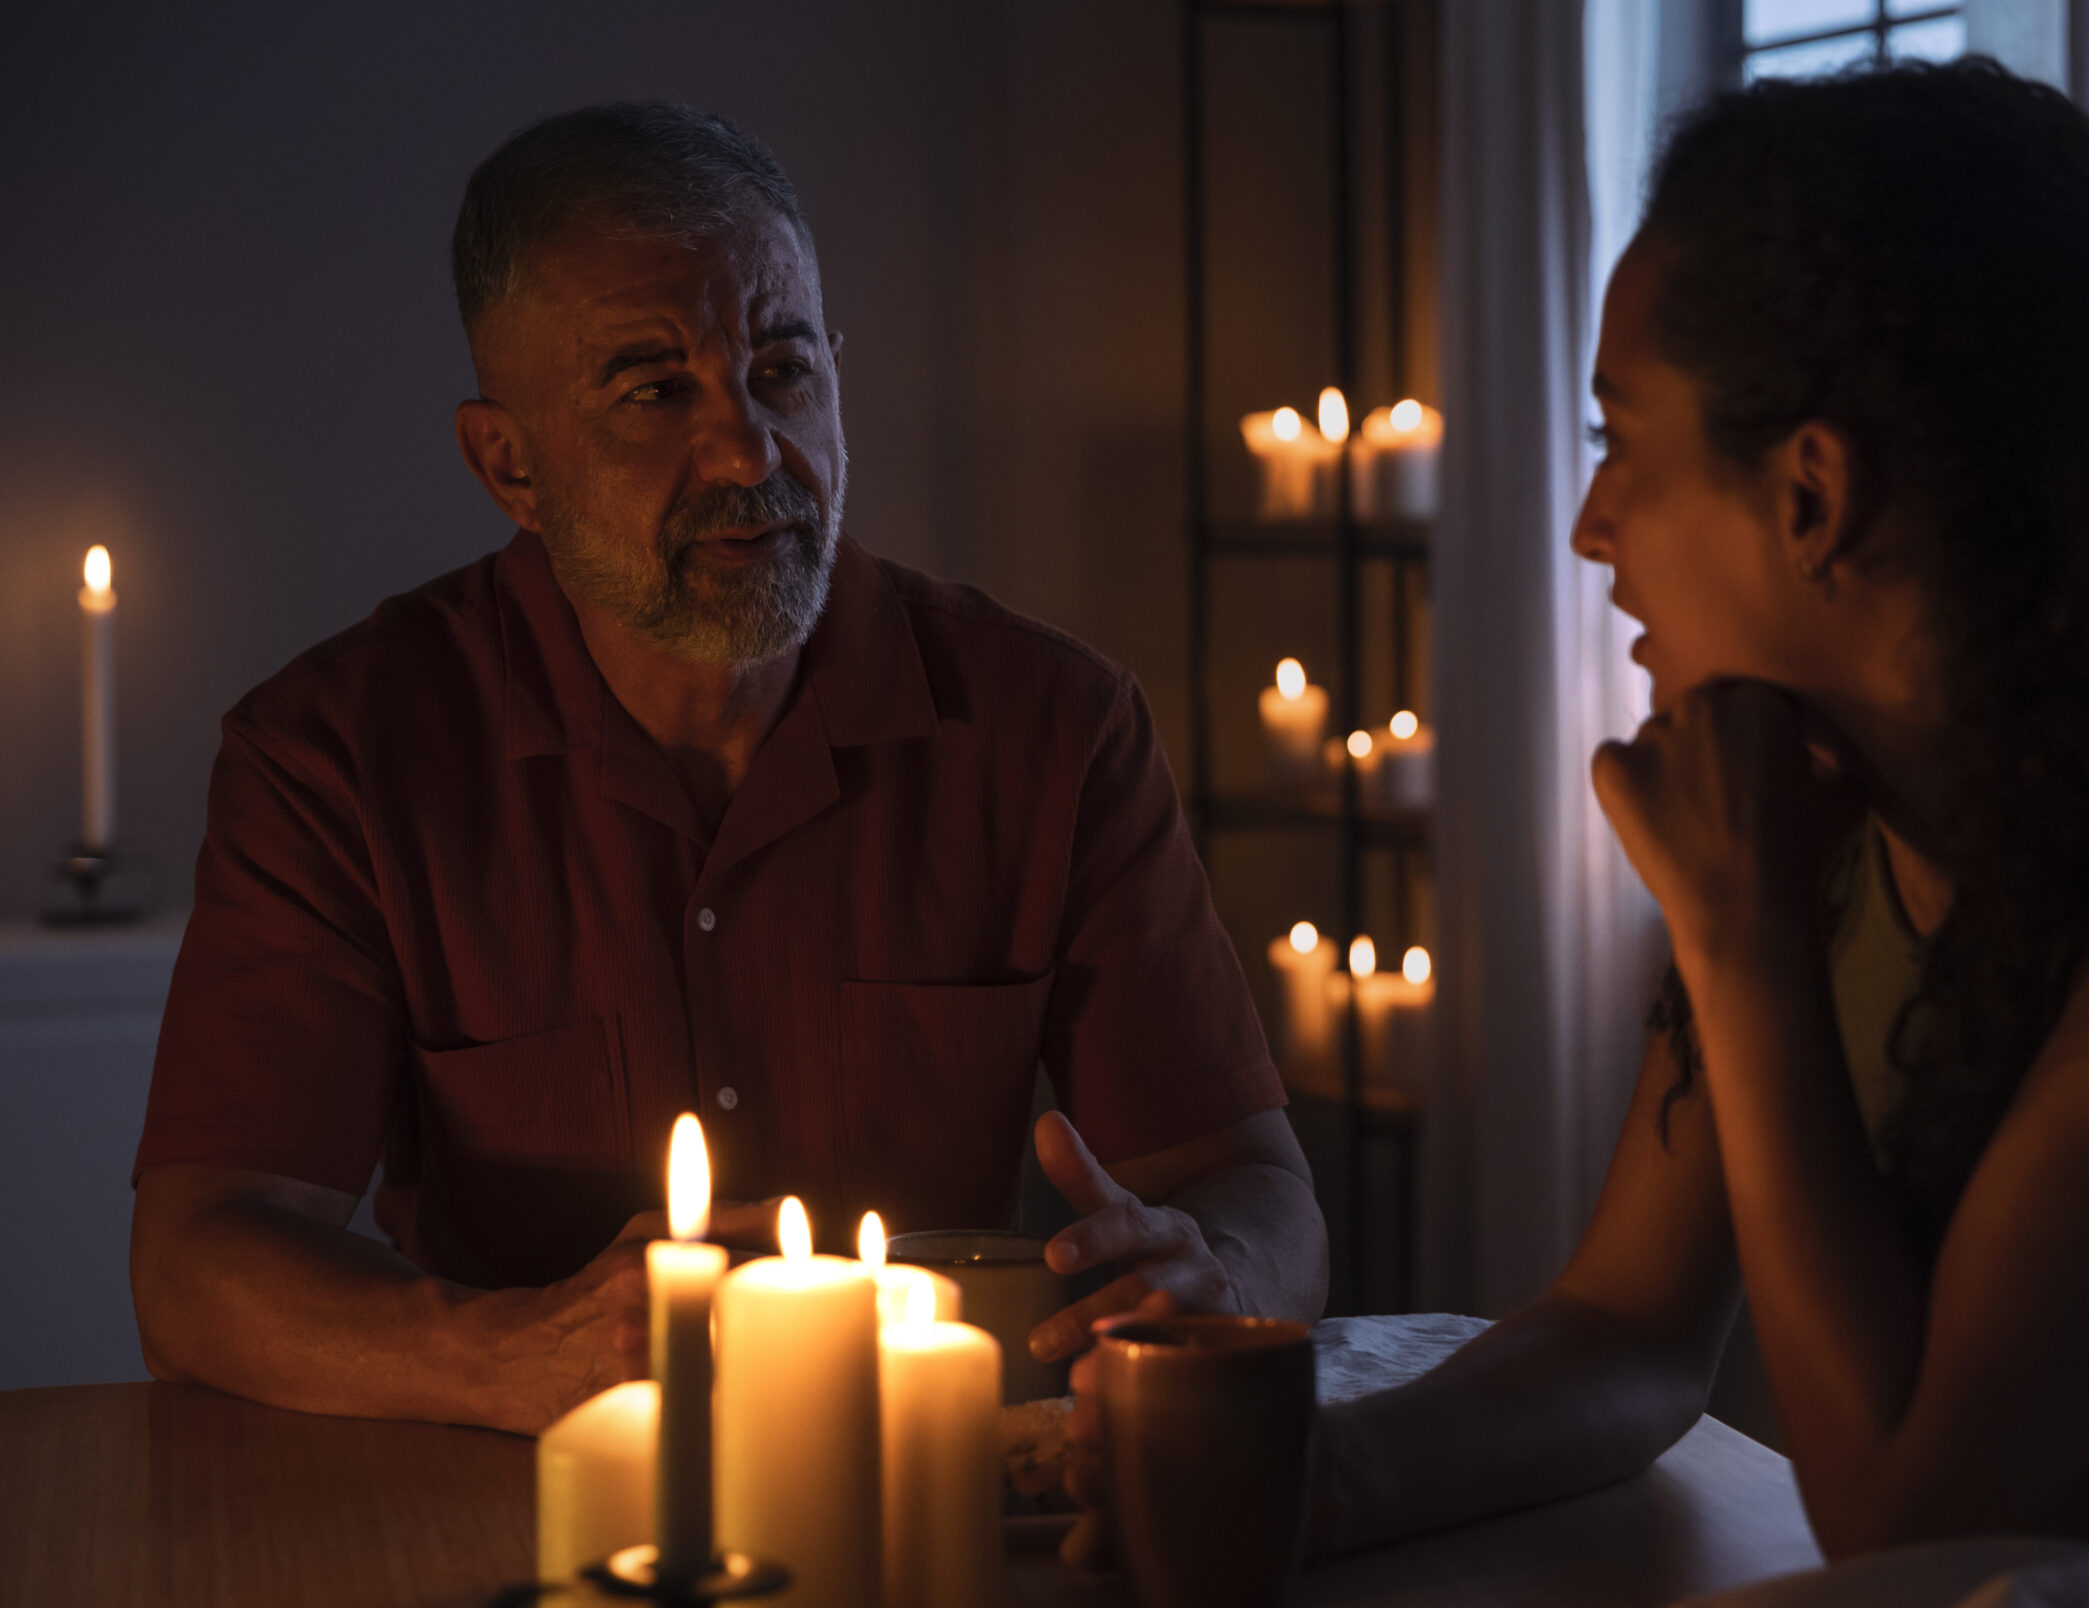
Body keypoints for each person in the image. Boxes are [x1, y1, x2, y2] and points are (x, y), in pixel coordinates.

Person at [1079, 62, 2089, 1608]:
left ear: (1811, 492)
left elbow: (1909, 1516)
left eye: (1618, 442)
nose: (1587, 527)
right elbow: (1629, 1328)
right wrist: (1297, 1485)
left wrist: (1747, 940)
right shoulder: (1834, 814)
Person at [127, 101, 1326, 1438]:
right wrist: (506, 1354)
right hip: (512, 1511)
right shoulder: (339, 757)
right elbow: (195, 1266)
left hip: (931, 1499)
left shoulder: (1051, 727)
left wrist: (1208, 1274)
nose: (750, 455)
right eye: (655, 391)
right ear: (509, 463)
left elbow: (1252, 1188)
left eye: (781, 371)